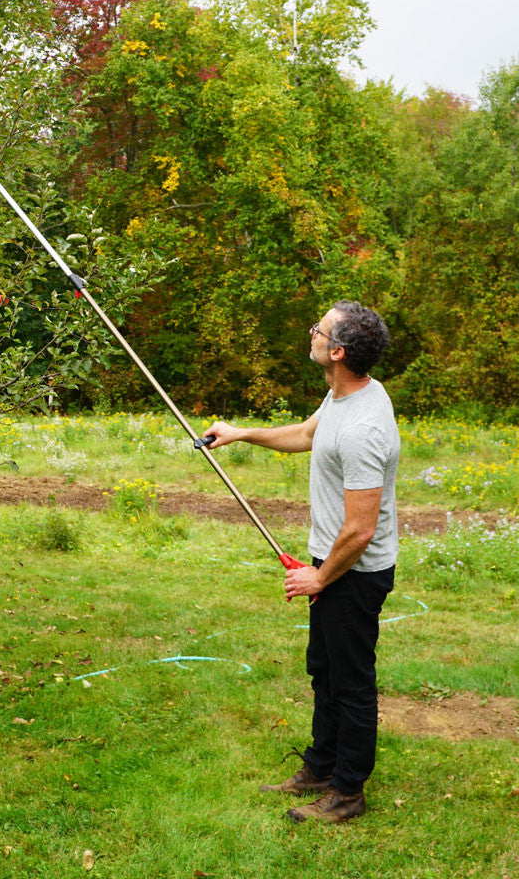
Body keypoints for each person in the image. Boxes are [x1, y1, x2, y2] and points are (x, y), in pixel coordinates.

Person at [203, 300, 398, 824]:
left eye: (319, 329)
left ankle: (348, 793)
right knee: (324, 669)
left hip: (352, 571)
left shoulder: (364, 427)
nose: (310, 332)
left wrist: (320, 575)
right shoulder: (345, 395)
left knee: (351, 682)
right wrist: (240, 433)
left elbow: (361, 529)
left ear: (336, 351)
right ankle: (320, 765)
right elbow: (307, 436)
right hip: (334, 562)